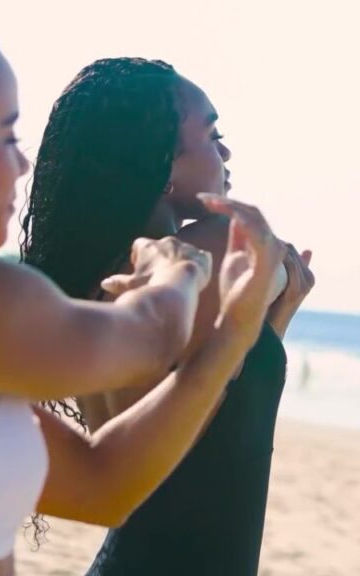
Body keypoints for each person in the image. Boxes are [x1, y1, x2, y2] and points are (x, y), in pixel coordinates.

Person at [0, 11, 286, 575]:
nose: (24, 161)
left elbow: (105, 482)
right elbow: (157, 337)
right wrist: (179, 271)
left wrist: (246, 329)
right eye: (6, 133)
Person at [18, 57, 315, 575]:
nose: (225, 151)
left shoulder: (99, 286)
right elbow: (276, 258)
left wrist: (269, 331)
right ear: (162, 160)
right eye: (213, 133)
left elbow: (208, 424)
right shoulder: (207, 251)